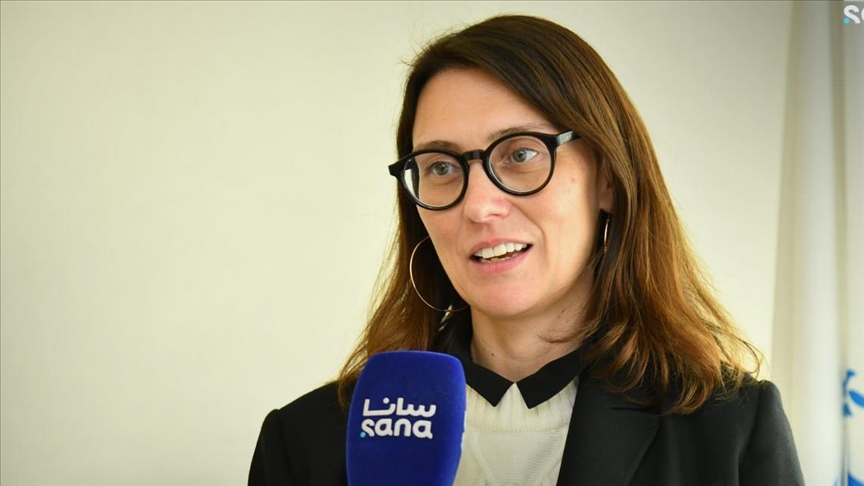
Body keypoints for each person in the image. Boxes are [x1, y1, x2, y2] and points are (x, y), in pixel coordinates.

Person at [249, 14, 804, 486]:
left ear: (608, 178)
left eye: (520, 154)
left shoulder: (728, 429)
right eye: (441, 167)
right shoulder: (305, 442)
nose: (479, 206)